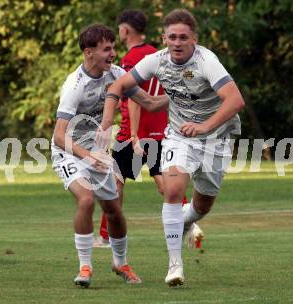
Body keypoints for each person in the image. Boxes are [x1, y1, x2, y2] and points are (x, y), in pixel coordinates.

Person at [99, 9, 245, 287]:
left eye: (183, 37)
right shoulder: (156, 60)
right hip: (179, 137)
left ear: (194, 39)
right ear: (164, 38)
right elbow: (120, 84)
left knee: (202, 206)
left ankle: (187, 221)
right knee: (174, 190)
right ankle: (175, 265)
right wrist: (109, 121)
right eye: (172, 37)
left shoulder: (207, 62)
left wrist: (204, 127)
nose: (177, 43)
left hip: (215, 138)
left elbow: (235, 101)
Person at [51, 24, 167, 288]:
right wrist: (87, 156)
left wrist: (182, 95)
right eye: (107, 49)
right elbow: (59, 135)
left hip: (95, 153)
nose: (113, 53)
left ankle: (121, 263)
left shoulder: (116, 74)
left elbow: (149, 102)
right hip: (69, 151)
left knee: (114, 210)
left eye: (114, 47)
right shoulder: (74, 85)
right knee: (86, 200)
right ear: (88, 52)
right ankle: (85, 267)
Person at [93, 9, 198, 249]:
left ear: (125, 29)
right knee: (164, 183)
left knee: (114, 182)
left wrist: (133, 134)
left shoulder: (131, 59)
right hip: (162, 127)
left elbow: (134, 99)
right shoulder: (158, 53)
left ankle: (107, 236)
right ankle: (189, 221)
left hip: (135, 130)